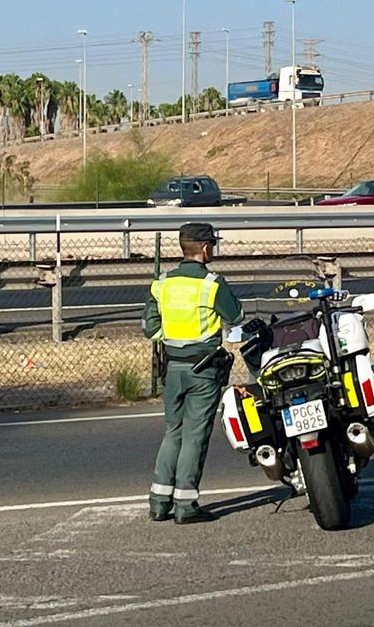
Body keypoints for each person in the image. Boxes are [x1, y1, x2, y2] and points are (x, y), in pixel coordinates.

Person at [144, 222, 244, 524]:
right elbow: (236, 316)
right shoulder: (211, 284)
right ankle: (186, 505)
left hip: (172, 368)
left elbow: (150, 328)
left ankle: (159, 502)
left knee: (173, 432)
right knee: (195, 436)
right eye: (212, 244)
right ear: (204, 248)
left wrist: (175, 338)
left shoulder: (162, 283)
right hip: (203, 369)